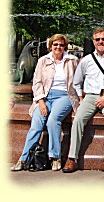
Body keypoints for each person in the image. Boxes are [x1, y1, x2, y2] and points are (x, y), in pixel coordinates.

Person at [11, 34, 79, 172]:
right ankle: (24, 159)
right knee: (36, 124)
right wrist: (41, 101)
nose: (58, 47)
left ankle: (55, 157)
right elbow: (37, 82)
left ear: (65, 46)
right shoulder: (43, 60)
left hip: (64, 96)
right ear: (51, 46)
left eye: (61, 45)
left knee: (53, 121)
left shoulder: (72, 60)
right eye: (55, 45)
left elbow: (79, 81)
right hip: (45, 96)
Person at [62, 27, 104, 174]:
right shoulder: (86, 60)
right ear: (93, 41)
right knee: (77, 120)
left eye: (103, 39)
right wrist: (81, 98)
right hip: (90, 96)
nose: (101, 42)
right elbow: (76, 83)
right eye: (98, 39)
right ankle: (72, 158)